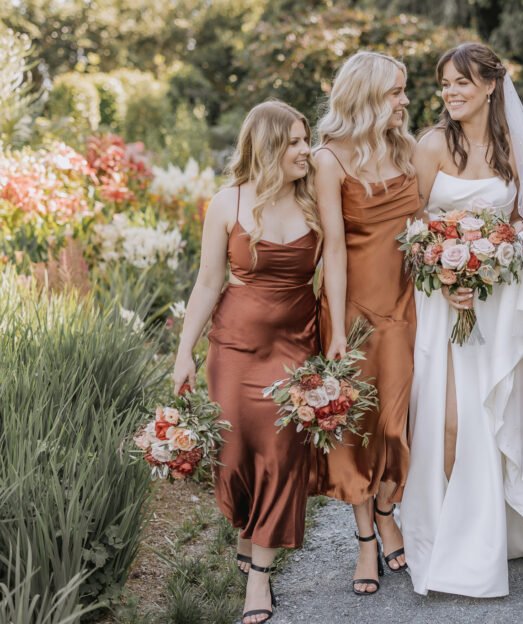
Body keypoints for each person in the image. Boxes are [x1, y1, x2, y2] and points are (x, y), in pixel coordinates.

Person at [399, 42, 523, 598]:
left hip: (494, 299)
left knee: (494, 415)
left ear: (490, 86)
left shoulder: (517, 147)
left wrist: (494, 258)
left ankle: (496, 527)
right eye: (444, 83)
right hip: (443, 301)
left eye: (461, 82)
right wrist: (445, 272)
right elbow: (413, 226)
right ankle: (445, 530)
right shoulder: (429, 146)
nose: (450, 92)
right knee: (448, 420)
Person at [172, 100, 321, 624]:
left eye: (308, 139)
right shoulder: (227, 203)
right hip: (233, 348)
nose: (307, 150)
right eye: (296, 142)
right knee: (232, 459)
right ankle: (247, 526)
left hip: (296, 347)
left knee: (281, 456)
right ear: (267, 146)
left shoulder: (314, 204)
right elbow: (209, 281)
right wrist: (184, 350)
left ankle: (259, 578)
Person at [311, 51, 418, 596]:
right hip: (353, 313)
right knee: (356, 426)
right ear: (369, 96)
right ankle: (365, 539)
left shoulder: (407, 148)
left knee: (398, 422)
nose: (405, 101)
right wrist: (334, 332)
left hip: (408, 305)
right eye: (397, 92)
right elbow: (332, 249)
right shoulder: (328, 160)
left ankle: (388, 506)